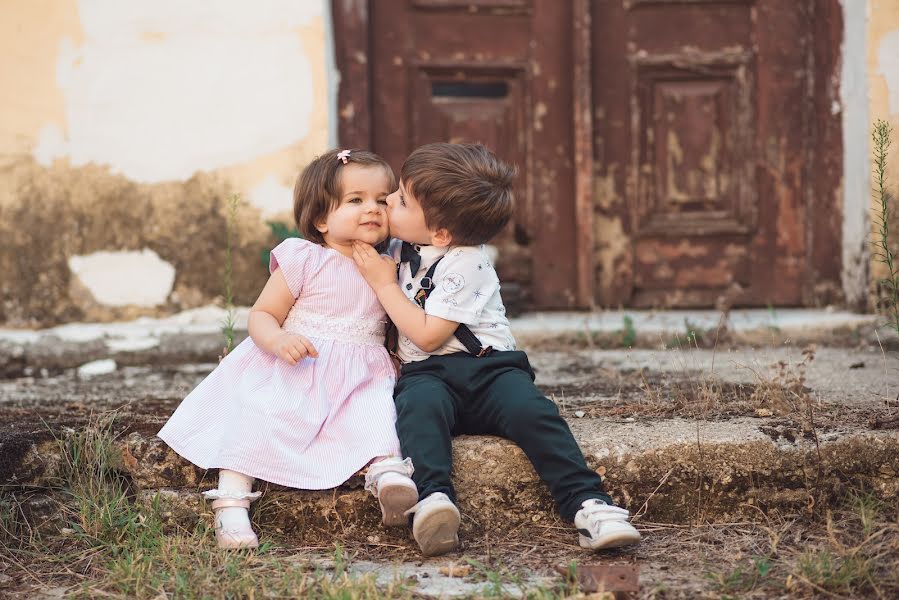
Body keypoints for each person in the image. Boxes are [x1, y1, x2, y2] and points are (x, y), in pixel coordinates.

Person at [352, 142, 641, 557]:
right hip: (428, 375)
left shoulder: (468, 260)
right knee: (417, 411)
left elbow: (430, 335)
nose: (387, 202)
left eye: (400, 199)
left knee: (534, 413)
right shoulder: (399, 247)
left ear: (440, 233)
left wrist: (382, 284)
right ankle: (435, 501)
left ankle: (589, 504)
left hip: (490, 371)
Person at [159, 149, 417, 549]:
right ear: (320, 218)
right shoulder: (306, 258)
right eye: (356, 200)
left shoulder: (394, 261)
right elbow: (262, 313)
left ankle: (390, 480)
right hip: (297, 365)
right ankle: (231, 501)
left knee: (376, 415)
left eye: (383, 199)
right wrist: (278, 340)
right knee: (260, 418)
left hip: (361, 373)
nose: (374, 209)